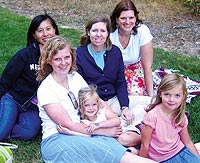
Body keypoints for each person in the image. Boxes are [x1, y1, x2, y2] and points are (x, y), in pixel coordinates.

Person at [36, 35, 157, 163]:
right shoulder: (46, 89)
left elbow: (98, 100)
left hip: (84, 130)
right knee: (117, 155)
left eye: (67, 57)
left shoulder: (74, 77)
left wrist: (113, 118)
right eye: (57, 59)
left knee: (113, 151)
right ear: (49, 60)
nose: (64, 63)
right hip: (58, 138)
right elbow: (67, 125)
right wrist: (105, 132)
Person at [76, 14, 149, 147]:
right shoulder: (79, 54)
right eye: (94, 30)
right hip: (95, 105)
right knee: (116, 118)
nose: (99, 35)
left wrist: (125, 107)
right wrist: (105, 106)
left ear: (108, 33)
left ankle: (118, 125)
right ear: (88, 32)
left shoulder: (115, 52)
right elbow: (82, 88)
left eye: (103, 31)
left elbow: (121, 82)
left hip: (114, 100)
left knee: (149, 102)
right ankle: (121, 128)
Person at [0, 14, 59, 141]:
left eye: (48, 29)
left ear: (54, 30)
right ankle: (5, 124)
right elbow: (5, 81)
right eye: (40, 30)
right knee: (1, 133)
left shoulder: (61, 56)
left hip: (34, 108)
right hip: (14, 100)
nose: (45, 34)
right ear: (34, 35)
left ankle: (8, 125)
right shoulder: (25, 55)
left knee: (29, 133)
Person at [57, 85, 139, 154]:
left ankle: (144, 139)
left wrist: (98, 125)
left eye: (94, 104)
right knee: (129, 151)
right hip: (114, 143)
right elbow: (87, 136)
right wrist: (69, 132)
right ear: (82, 107)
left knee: (124, 139)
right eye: (87, 105)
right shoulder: (84, 122)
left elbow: (116, 121)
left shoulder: (103, 112)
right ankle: (133, 151)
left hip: (126, 132)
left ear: (98, 104)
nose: (91, 108)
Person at [139, 73, 200, 162]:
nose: (172, 99)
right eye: (167, 94)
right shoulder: (152, 116)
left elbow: (188, 142)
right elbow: (145, 145)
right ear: (160, 94)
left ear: (183, 96)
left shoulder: (180, 115)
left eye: (177, 95)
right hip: (160, 158)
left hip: (179, 151)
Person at [110, 0, 154, 97]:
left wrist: (151, 97)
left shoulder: (142, 31)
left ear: (135, 18)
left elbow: (147, 68)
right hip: (113, 71)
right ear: (117, 19)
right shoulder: (109, 34)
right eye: (123, 18)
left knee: (134, 96)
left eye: (131, 18)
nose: (127, 22)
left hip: (134, 71)